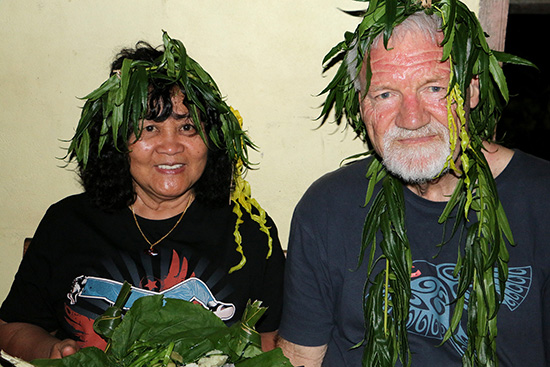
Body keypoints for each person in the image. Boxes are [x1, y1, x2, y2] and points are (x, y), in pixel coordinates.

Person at [278, 1, 549, 366]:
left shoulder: (542, 199)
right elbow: (298, 357)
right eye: (385, 94)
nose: (411, 118)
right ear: (363, 106)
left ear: (471, 91)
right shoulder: (326, 207)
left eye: (434, 88)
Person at [0, 33, 285, 361]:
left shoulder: (249, 232)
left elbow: (267, 341)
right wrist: (54, 350)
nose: (171, 146)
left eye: (187, 127)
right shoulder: (67, 222)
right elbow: (12, 326)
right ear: (115, 139)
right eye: (149, 128)